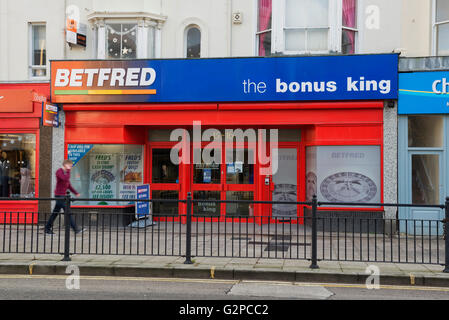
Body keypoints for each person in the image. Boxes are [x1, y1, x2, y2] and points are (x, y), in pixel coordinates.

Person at [44, 159, 84, 235]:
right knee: (67, 211)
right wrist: (68, 171)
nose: (70, 168)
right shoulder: (59, 172)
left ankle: (47, 228)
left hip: (62, 196)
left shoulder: (65, 173)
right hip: (59, 196)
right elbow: (65, 178)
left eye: (71, 167)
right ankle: (75, 229)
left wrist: (76, 193)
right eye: (70, 166)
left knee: (55, 213)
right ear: (65, 165)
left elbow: (68, 185)